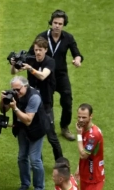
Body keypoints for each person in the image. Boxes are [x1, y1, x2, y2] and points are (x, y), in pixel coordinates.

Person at [29, 10, 84, 141]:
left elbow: (77, 53)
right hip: (45, 75)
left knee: (67, 101)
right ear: (51, 22)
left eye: (60, 23)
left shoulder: (68, 38)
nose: (57, 26)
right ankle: (46, 127)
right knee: (47, 102)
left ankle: (64, 127)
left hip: (61, 75)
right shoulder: (42, 37)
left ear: (64, 24)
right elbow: (30, 54)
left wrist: (77, 60)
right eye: (55, 23)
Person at [12, 37, 63, 161]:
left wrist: (29, 68)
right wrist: (14, 64)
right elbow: (13, 72)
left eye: (40, 50)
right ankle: (36, 160)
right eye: (35, 50)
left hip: (45, 104)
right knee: (31, 131)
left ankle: (60, 161)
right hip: (32, 102)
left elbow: (43, 76)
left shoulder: (50, 62)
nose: (37, 53)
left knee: (51, 135)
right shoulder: (31, 59)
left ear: (45, 50)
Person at [0, 76, 48, 190]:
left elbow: (28, 120)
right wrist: (3, 101)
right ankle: (25, 184)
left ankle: (39, 187)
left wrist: (15, 108)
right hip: (22, 129)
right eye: (13, 90)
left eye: (18, 89)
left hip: (36, 130)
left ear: (25, 86)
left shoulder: (34, 97)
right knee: (22, 157)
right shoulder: (15, 94)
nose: (15, 92)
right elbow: (3, 109)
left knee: (35, 160)